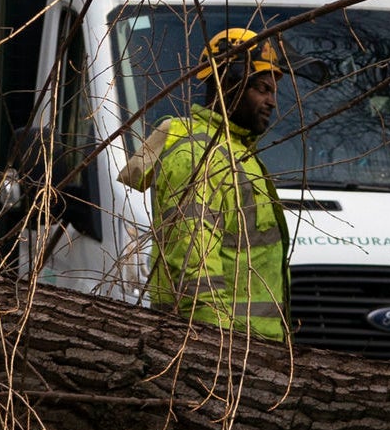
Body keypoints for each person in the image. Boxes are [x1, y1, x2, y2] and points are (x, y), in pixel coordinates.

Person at [118, 27, 290, 341]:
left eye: (273, 91)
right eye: (263, 89)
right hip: (226, 350)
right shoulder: (199, 155)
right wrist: (215, 354)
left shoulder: (235, 152)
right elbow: (194, 271)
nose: (271, 102)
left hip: (251, 348)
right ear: (227, 84)